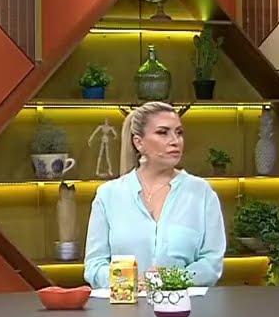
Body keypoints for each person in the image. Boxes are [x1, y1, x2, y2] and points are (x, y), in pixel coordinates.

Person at [83, 101, 226, 289]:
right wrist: (129, 282)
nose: (175, 141)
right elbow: (94, 266)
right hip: (125, 305)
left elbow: (211, 264)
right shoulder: (108, 195)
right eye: (163, 132)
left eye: (179, 132)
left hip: (185, 305)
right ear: (139, 143)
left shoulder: (201, 193)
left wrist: (167, 279)